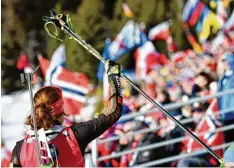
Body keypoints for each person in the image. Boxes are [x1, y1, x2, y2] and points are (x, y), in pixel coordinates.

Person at [10, 60, 123, 167]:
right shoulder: (75, 135)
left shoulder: (19, 148)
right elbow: (114, 111)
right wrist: (113, 77)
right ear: (61, 109)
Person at [217, 52, 234, 143]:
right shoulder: (223, 77)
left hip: (232, 112)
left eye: (224, 60)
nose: (222, 63)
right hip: (225, 114)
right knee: (229, 140)